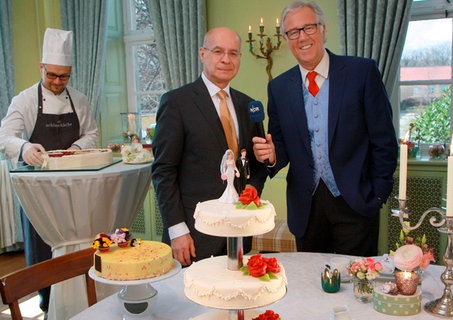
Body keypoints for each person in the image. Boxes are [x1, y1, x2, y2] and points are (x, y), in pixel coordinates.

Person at [252, 1, 398, 257]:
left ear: (322, 29)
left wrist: (377, 195)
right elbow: (281, 145)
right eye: (293, 32)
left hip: (356, 202)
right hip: (306, 209)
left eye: (308, 28)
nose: (302, 37)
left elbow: (384, 139)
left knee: (357, 287)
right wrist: (273, 155)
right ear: (286, 39)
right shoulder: (279, 88)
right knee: (313, 287)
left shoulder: (361, 72)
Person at [0, 28, 99, 314]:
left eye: (63, 76)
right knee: (43, 251)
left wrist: (77, 149)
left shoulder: (79, 99)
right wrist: (24, 147)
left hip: (74, 186)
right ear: (41, 68)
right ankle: (46, 302)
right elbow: (3, 136)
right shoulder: (25, 100)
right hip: (39, 191)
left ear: (70, 73)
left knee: (77, 247)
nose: (56, 82)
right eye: (51, 75)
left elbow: (92, 133)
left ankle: (82, 300)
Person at [151, 27, 267, 266]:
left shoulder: (249, 105)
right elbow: (164, 171)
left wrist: (252, 191)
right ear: (203, 54)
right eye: (218, 51)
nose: (226, 59)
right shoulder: (176, 103)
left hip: (238, 233)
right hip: (194, 236)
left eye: (233, 53)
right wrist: (177, 229)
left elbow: (256, 165)